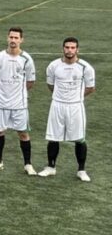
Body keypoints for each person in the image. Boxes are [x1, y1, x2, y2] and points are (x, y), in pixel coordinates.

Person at [39, 37, 96, 182]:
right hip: (57, 105)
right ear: (62, 48)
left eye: (72, 48)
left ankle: (81, 170)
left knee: (79, 138)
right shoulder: (53, 66)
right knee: (53, 137)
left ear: (77, 49)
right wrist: (61, 96)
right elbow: (51, 85)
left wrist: (76, 97)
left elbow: (90, 88)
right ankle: (51, 167)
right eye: (67, 47)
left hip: (76, 106)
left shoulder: (85, 67)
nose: (69, 50)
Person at [0, 27, 36, 174]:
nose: (13, 40)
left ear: (21, 40)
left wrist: (18, 93)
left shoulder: (26, 59)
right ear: (7, 38)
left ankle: (28, 164)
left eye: (16, 38)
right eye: (11, 37)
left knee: (23, 133)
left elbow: (30, 82)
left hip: (19, 104)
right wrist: (4, 91)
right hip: (0, 102)